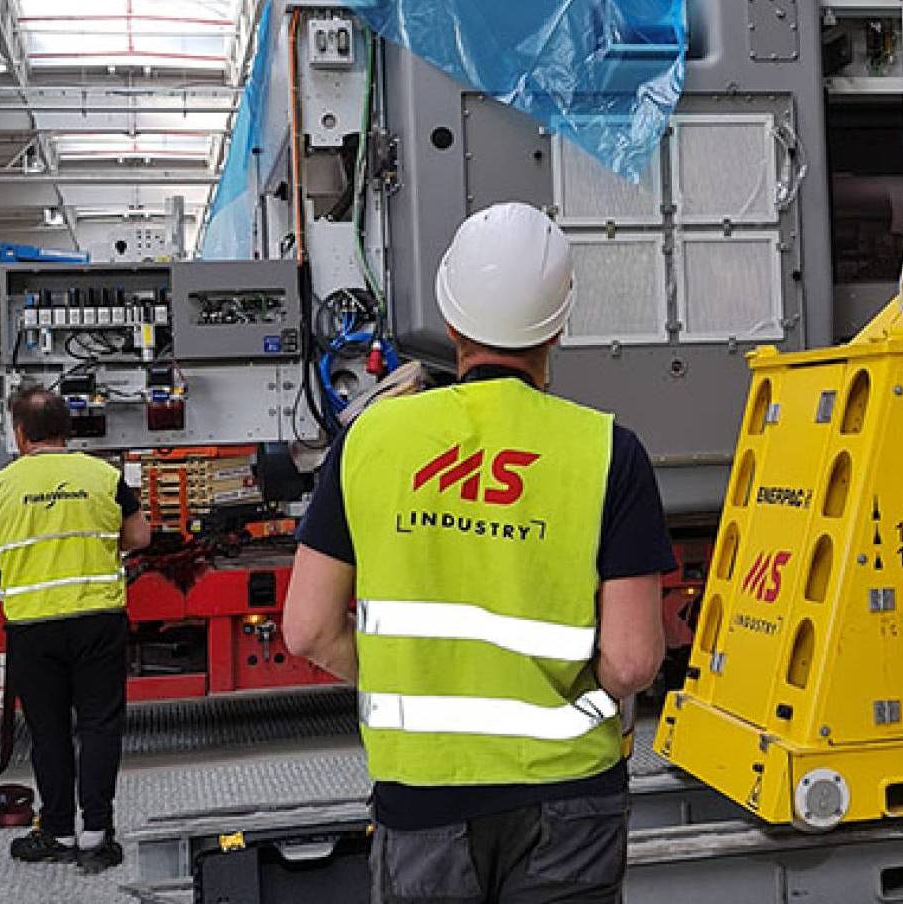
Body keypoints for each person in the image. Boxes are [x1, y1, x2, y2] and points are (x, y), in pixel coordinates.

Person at [285, 202, 674, 904]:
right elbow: (632, 662)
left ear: (450, 318)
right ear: (559, 323)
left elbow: (308, 630)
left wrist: (415, 681)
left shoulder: (371, 439)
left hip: (423, 796)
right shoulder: (608, 452)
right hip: (569, 798)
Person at [0, 386, 150, 875]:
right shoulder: (103, 475)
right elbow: (139, 536)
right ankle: (97, 835)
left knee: (49, 731)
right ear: (67, 430)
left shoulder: (1, 486)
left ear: (20, 433)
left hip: (34, 626)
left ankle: (59, 831)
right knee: (99, 726)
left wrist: (17, 554)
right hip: (98, 619)